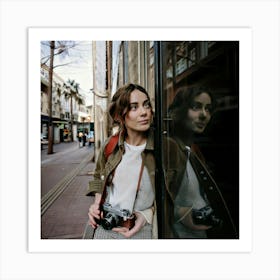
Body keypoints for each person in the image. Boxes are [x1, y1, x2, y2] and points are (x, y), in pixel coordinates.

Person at [163, 86, 237, 239]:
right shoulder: (170, 149)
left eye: (208, 109)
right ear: (180, 111)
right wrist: (181, 212)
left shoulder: (194, 151)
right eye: (196, 107)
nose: (204, 115)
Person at [85, 83, 157, 239]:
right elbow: (98, 176)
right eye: (134, 107)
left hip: (140, 231)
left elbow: (175, 195)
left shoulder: (164, 147)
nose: (144, 112)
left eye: (146, 105)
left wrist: (147, 215)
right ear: (119, 116)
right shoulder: (110, 144)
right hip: (104, 228)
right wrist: (96, 205)